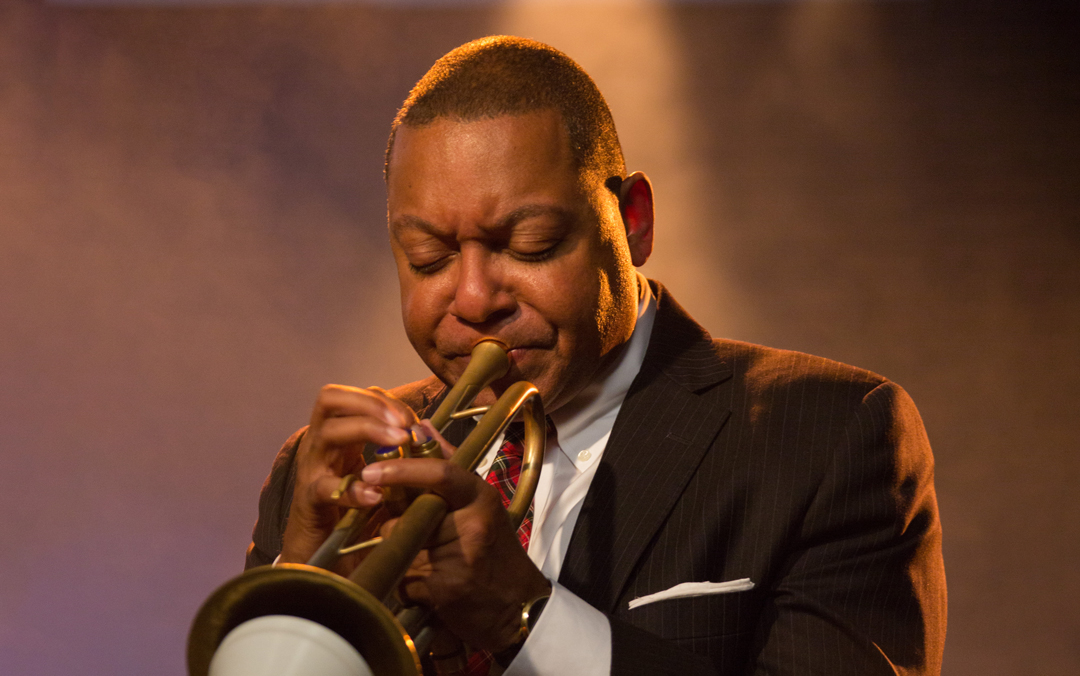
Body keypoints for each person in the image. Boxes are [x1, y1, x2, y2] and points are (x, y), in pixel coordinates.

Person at [246, 36, 946, 675]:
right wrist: (301, 599)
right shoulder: (322, 472)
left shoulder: (831, 436)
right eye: (427, 258)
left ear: (632, 223)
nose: (473, 297)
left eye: (530, 245)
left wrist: (524, 616)